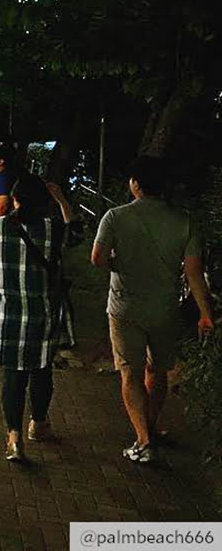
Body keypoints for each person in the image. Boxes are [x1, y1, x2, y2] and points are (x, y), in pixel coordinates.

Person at [91, 156, 215, 464]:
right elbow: (194, 273)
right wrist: (205, 313)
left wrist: (117, 265)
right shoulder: (184, 221)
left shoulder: (115, 217)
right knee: (157, 370)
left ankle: (143, 438)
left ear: (135, 184)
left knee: (130, 373)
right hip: (164, 308)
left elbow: (97, 258)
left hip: (124, 306)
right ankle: (148, 427)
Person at [0, 174, 64, 463]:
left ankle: (13, 437)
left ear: (14, 199)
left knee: (13, 377)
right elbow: (74, 232)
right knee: (42, 371)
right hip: (43, 315)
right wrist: (62, 200)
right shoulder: (54, 230)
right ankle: (38, 424)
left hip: (6, 315)